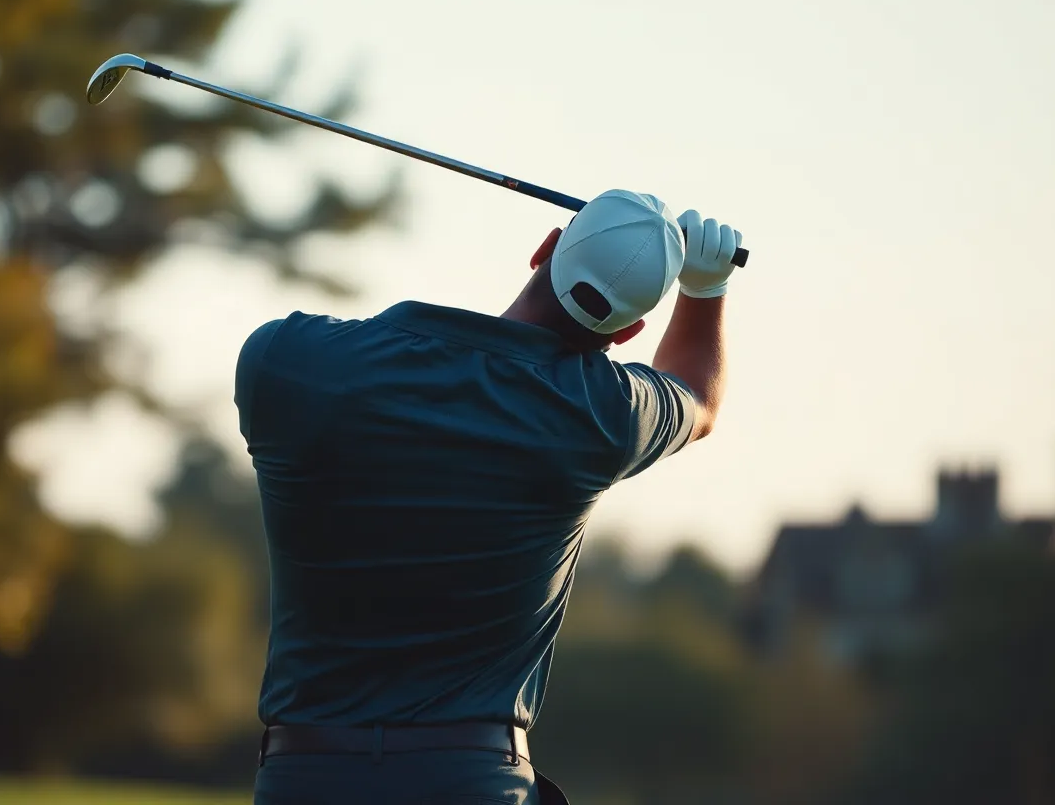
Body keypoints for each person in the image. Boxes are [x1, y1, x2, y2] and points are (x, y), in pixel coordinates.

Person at [235, 189, 743, 804]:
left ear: (545, 250)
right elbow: (696, 394)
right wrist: (705, 289)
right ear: (631, 328)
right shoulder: (600, 416)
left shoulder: (288, 361)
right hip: (473, 781)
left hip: (305, 778)